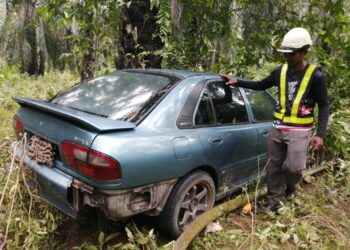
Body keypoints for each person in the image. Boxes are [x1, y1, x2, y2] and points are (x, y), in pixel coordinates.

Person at [222, 27, 329, 212]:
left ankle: (291, 188)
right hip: (278, 128)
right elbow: (261, 85)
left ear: (304, 51)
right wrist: (237, 81)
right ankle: (274, 202)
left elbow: (324, 105)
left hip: (300, 131)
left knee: (294, 168)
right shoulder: (280, 71)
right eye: (285, 53)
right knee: (274, 167)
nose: (287, 57)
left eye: (292, 54)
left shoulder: (315, 76)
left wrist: (320, 134)